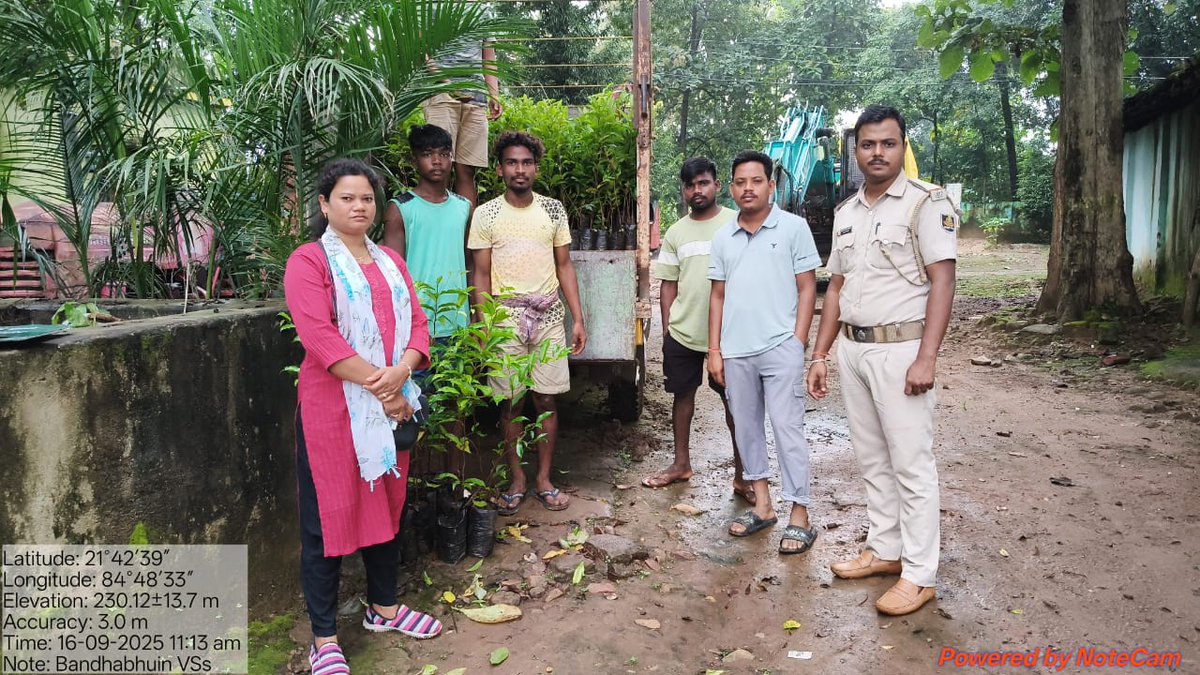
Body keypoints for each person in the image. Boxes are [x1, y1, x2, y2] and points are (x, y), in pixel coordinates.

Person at [284, 159, 442, 674]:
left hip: (389, 403)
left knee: (385, 507)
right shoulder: (309, 262)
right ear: (325, 205)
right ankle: (324, 639)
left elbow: (418, 324)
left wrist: (403, 374)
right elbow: (319, 337)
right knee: (325, 520)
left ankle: (384, 608)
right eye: (347, 198)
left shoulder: (391, 263)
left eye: (367, 198)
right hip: (332, 413)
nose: (358, 206)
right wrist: (387, 387)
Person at [805, 105, 958, 616]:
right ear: (856, 151)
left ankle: (920, 574)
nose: (877, 153)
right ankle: (885, 550)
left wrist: (927, 358)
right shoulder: (846, 212)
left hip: (902, 350)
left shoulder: (925, 204)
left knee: (911, 463)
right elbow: (838, 287)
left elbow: (943, 279)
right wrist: (821, 353)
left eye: (887, 144)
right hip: (854, 349)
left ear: (902, 146)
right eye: (868, 144)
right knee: (871, 458)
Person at [707, 150, 820, 554]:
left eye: (756, 181)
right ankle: (763, 506)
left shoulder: (793, 228)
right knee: (748, 430)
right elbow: (717, 296)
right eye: (740, 182)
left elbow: (808, 286)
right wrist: (714, 349)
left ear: (771, 186)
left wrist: (798, 340)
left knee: (788, 430)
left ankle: (800, 514)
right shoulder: (722, 238)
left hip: (779, 347)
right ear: (732, 187)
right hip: (736, 352)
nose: (748, 188)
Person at [469, 131, 587, 514]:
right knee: (511, 403)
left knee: (546, 399)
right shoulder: (485, 214)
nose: (519, 170)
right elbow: (481, 275)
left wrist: (577, 319)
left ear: (535, 167)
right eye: (511, 162)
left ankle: (544, 479)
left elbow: (564, 265)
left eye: (526, 162)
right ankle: (517, 479)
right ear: (501, 168)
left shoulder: (553, 210)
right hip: (504, 319)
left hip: (549, 316)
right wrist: (484, 322)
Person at [642, 157, 755, 505]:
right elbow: (668, 286)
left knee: (737, 406)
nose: (697, 190)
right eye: (690, 185)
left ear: (717, 186)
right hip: (685, 333)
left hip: (730, 335)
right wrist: (668, 331)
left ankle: (743, 477)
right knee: (682, 398)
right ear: (684, 190)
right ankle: (681, 464)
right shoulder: (676, 232)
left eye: (703, 183)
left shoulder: (736, 224)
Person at [382, 124, 472, 476]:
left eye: (443, 154)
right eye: (427, 154)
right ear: (415, 159)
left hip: (458, 328)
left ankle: (453, 485)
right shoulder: (400, 208)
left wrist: (475, 317)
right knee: (413, 411)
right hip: (417, 334)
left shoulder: (463, 208)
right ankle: (415, 487)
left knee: (456, 411)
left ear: (451, 158)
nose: (436, 161)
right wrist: (410, 329)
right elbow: (392, 277)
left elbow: (467, 263)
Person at [423, 32, 502, 209]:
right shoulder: (430, 3)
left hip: (476, 97)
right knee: (438, 168)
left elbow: (488, 57)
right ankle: (438, 231)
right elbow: (421, 48)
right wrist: (447, 84)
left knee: (466, 170)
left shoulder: (483, 10)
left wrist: (494, 94)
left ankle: (467, 233)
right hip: (440, 94)